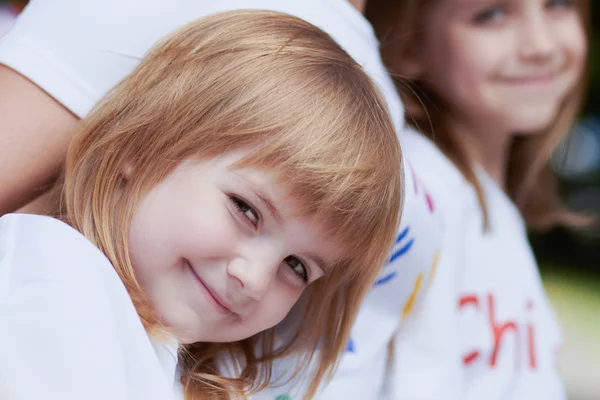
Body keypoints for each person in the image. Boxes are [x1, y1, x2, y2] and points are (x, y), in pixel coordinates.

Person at [0, 1, 443, 398]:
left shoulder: (169, 361)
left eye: (297, 267)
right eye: (246, 210)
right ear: (140, 145)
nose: (254, 279)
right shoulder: (53, 276)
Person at [365, 0, 590, 399]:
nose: (540, 45)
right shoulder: (419, 195)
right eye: (492, 15)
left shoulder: (485, 201)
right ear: (409, 45)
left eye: (559, 5)